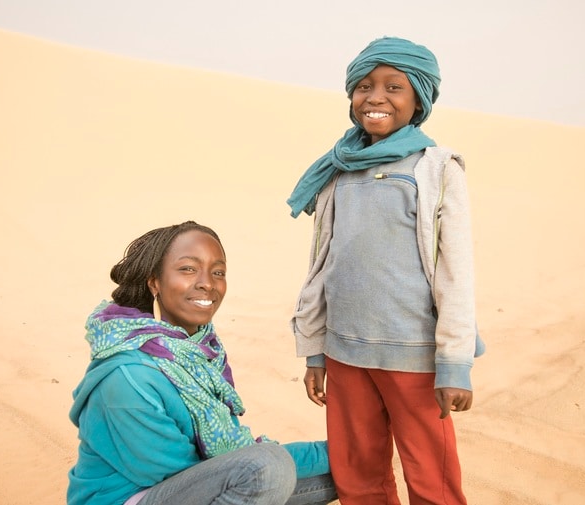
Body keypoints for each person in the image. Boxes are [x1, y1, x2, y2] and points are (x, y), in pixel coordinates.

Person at [286, 36, 486, 505]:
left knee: (432, 479)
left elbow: (456, 271)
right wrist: (315, 351)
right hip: (345, 352)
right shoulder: (337, 170)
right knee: (358, 476)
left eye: (393, 87)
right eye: (363, 86)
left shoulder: (436, 168)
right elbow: (322, 265)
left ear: (418, 98)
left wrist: (454, 363)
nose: (375, 97)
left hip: (414, 355)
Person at [67, 220, 338, 505]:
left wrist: (342, 452)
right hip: (136, 496)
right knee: (267, 469)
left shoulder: (196, 354)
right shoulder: (128, 378)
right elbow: (190, 472)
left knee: (346, 472)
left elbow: (226, 466)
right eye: (188, 269)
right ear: (154, 282)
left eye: (217, 272)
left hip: (191, 488)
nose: (207, 283)